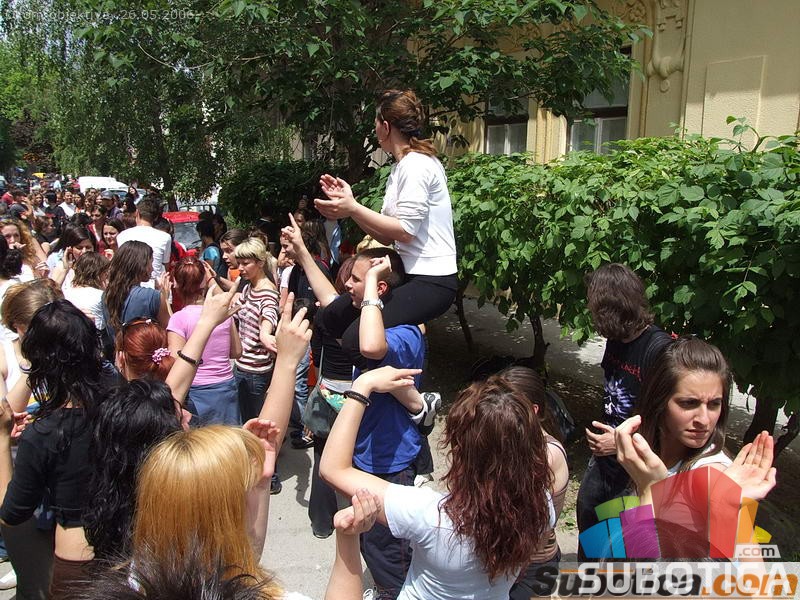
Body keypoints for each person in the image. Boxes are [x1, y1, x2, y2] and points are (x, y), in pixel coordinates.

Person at [78, 296, 313, 600]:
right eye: (179, 419)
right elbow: (247, 552)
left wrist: (206, 323)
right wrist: (288, 362)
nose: (188, 414)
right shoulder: (196, 491)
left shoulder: (127, 541)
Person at [320, 367, 555, 600]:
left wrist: (362, 386)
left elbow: (333, 469)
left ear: (459, 449)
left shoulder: (432, 515)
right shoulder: (541, 505)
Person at [314, 89, 458, 368]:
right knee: (330, 317)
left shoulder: (416, 165)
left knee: (356, 341)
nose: (374, 128)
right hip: (406, 272)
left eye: (376, 122)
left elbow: (405, 231)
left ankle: (400, 384)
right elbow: (385, 234)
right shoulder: (401, 167)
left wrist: (352, 208)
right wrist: (350, 206)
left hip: (433, 282)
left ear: (386, 126)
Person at [575, 263, 672, 559]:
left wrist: (618, 442)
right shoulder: (616, 341)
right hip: (605, 460)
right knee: (589, 523)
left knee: (622, 549)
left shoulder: (658, 350)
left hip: (635, 468)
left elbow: (665, 421)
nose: (590, 312)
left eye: (594, 306)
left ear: (609, 307)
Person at [499, 367, 569, 599]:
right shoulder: (513, 442)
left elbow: (531, 526)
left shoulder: (547, 454)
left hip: (530, 568)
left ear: (532, 409)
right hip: (511, 563)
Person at [168, 257, 242, 425]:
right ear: (204, 282)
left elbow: (175, 362)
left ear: (176, 284)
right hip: (226, 387)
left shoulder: (178, 319)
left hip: (195, 391)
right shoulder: (222, 314)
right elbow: (237, 352)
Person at [104, 240, 170, 333]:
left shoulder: (107, 295)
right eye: (151, 263)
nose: (152, 269)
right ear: (141, 266)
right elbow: (170, 329)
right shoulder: (151, 296)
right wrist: (165, 297)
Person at [115, 198, 171, 283]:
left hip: (129, 284)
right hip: (156, 284)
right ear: (156, 217)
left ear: (137, 213)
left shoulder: (122, 236)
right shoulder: (165, 237)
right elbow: (165, 265)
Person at [47, 224, 97, 290]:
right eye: (79, 248)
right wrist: (65, 270)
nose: (84, 251)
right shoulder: (61, 267)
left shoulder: (99, 267)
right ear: (71, 249)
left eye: (88, 247)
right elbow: (52, 292)